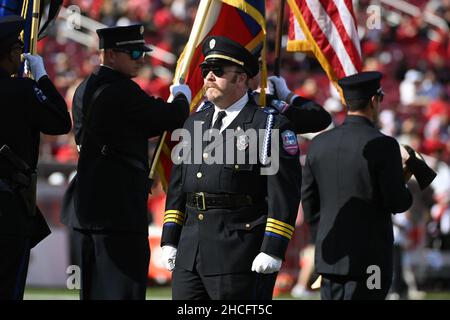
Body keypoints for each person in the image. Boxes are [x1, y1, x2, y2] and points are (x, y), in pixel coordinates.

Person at [160, 36, 301, 300]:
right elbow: (179, 187)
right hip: (190, 253)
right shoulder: (193, 123)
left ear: (241, 79)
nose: (209, 77)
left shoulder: (269, 126)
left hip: (239, 254)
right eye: (206, 71)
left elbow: (283, 194)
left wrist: (273, 247)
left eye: (219, 71)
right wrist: (170, 238)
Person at [62, 24, 191, 300]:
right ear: (109, 55)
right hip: (116, 210)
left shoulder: (86, 87)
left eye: (141, 52)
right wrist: (181, 97)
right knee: (124, 290)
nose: (140, 58)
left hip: (90, 207)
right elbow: (169, 118)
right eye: (133, 52)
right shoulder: (120, 90)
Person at [302, 71, 413, 300]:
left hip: (329, 255)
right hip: (370, 261)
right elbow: (397, 202)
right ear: (374, 100)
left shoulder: (319, 144)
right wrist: (406, 177)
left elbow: (309, 201)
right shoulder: (384, 144)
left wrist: (320, 238)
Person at [0, 15, 71, 300]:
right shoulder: (22, 90)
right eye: (17, 50)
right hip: (7, 208)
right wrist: (41, 76)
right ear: (6, 53)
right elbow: (60, 122)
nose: (20, 55)